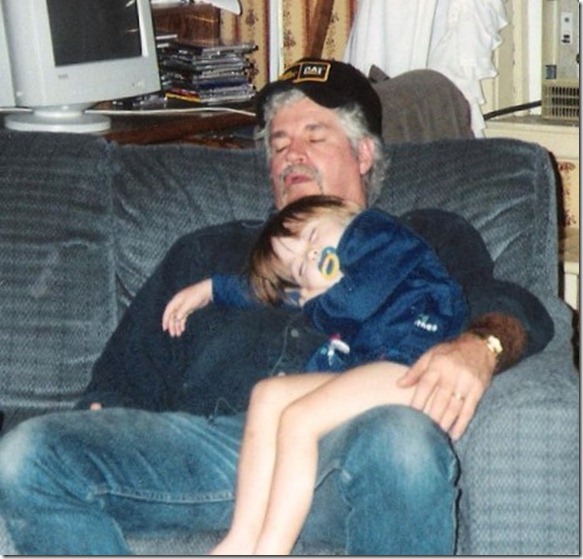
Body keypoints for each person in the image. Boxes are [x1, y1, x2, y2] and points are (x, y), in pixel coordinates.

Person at [0, 58, 552, 555]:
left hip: (353, 444)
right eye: (279, 143)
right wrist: (103, 413)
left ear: (363, 154)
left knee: (403, 441)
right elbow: (126, 371)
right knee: (26, 456)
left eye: (315, 136)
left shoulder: (420, 237)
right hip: (210, 451)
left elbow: (509, 303)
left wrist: (482, 345)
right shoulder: (207, 253)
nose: (292, 154)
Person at [162, 194, 470, 554]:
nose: (309, 255)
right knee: (268, 394)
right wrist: (213, 288)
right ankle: (242, 537)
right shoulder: (327, 289)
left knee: (299, 418)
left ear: (344, 214)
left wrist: (314, 302)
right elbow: (273, 294)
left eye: (311, 235)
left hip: (418, 363)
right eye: (297, 268)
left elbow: (357, 299)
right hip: (379, 370)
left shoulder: (375, 233)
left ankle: (271, 549)